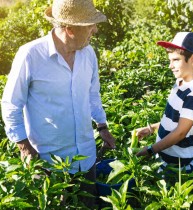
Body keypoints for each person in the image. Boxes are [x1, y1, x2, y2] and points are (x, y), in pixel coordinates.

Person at [1, 0, 115, 207]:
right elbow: (11, 104)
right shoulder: (30, 55)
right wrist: (24, 148)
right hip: (48, 164)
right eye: (90, 25)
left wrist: (102, 125)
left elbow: (92, 95)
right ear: (69, 28)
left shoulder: (88, 54)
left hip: (86, 159)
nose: (95, 30)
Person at [136, 32, 193, 175]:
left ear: (192, 59)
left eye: (176, 60)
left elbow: (180, 132)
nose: (170, 66)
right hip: (165, 159)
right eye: (170, 60)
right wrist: (152, 129)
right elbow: (174, 120)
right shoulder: (180, 83)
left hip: (179, 166)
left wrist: (150, 149)